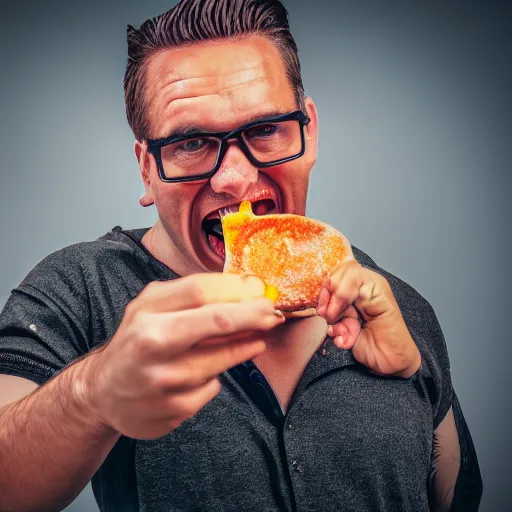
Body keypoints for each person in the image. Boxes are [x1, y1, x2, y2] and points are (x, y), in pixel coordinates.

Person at [0, 0, 482, 511]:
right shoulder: (82, 287)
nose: (234, 177)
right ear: (147, 168)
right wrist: (92, 392)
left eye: (266, 129)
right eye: (191, 142)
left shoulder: (396, 306)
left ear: (309, 132)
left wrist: (411, 382)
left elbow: (458, 497)